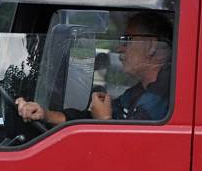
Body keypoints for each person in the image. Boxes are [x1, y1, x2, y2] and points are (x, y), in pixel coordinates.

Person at [16, 11, 173, 126]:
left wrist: (104, 120)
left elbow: (132, 154)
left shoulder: (165, 99)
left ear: (151, 45)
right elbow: (87, 118)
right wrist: (45, 114)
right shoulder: (137, 93)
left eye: (128, 40)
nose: (120, 48)